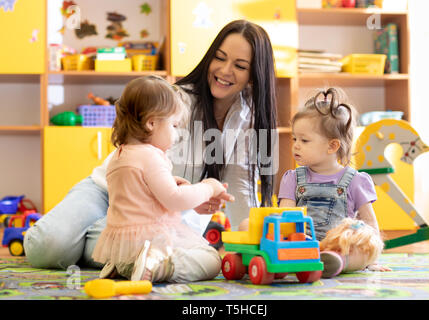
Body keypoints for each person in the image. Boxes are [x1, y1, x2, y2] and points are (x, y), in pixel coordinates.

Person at [24, 19, 278, 270]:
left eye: (240, 65)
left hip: (168, 213)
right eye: (220, 58)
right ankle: (85, 238)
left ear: (254, 76)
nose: (224, 70)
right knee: (47, 247)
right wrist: (190, 194)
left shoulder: (249, 117)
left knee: (134, 253)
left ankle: (92, 242)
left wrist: (255, 237)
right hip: (112, 189)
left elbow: (238, 184)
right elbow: (142, 160)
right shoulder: (176, 100)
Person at [91, 75, 226, 281]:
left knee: (191, 252)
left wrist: (171, 181)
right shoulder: (151, 155)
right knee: (212, 259)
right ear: (151, 123)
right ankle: (161, 266)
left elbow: (140, 196)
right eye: (173, 125)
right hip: (152, 240)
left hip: (124, 246)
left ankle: (123, 265)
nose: (177, 134)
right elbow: (175, 199)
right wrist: (208, 186)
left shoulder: (120, 156)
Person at [276, 87, 391, 277]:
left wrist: (372, 259)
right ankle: (311, 259)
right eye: (294, 138)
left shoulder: (355, 180)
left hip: (340, 247)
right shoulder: (292, 178)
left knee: (358, 248)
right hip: (302, 244)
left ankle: (334, 262)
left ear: (332, 146)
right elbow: (284, 218)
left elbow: (369, 223)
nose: (295, 145)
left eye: (304, 140)